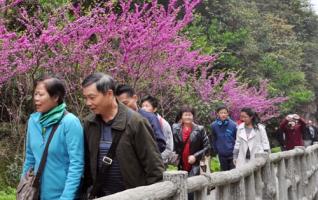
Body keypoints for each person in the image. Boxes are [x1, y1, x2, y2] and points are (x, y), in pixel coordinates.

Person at [82, 73, 164, 198]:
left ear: (109, 94)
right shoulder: (90, 123)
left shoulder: (136, 122)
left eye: (92, 97)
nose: (88, 103)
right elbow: (87, 165)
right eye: (85, 98)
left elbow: (154, 167)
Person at [21, 76, 84, 200]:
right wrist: (24, 188)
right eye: (35, 94)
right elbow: (30, 157)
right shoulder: (33, 121)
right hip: (36, 193)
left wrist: (66, 197)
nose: (36, 99)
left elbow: (76, 164)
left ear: (55, 97)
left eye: (41, 94)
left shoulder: (70, 122)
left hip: (61, 194)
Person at [115, 84, 166, 153]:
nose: (122, 107)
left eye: (125, 103)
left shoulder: (149, 117)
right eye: (119, 105)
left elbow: (160, 144)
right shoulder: (117, 119)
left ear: (135, 98)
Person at [172, 105, 210, 176]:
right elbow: (173, 144)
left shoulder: (200, 129)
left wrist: (195, 156)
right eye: (185, 115)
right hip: (181, 163)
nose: (188, 117)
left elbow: (207, 147)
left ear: (193, 116)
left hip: (195, 164)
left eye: (189, 115)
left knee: (194, 183)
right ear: (181, 116)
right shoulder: (175, 128)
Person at [140, 95, 177, 165]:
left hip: (158, 163)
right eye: (142, 106)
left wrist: (155, 160)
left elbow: (168, 148)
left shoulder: (163, 124)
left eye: (147, 106)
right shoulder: (141, 121)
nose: (143, 109)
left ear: (154, 109)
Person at [210, 105, 237, 171]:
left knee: (233, 173)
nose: (223, 114)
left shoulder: (233, 125)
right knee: (224, 173)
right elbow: (213, 139)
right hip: (221, 154)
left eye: (225, 113)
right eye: (221, 113)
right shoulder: (214, 125)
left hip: (232, 154)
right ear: (218, 114)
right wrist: (216, 151)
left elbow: (236, 139)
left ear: (227, 113)